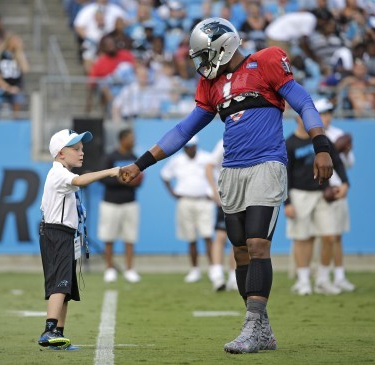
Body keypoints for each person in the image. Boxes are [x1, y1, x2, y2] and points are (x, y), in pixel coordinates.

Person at [119, 17, 334, 354]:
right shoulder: (211, 85)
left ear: (223, 47)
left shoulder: (265, 62)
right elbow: (183, 130)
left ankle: (251, 327)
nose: (202, 64)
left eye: (205, 56)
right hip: (231, 170)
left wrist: (322, 145)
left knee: (258, 243)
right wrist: (140, 163)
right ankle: (262, 328)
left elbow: (304, 102)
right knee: (240, 251)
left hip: (266, 164)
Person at [38, 128, 119, 350]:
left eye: (81, 148)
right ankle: (49, 330)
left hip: (63, 234)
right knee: (59, 284)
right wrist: (110, 171)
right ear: (61, 153)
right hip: (56, 233)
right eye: (76, 149)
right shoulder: (59, 173)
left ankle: (58, 335)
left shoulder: (61, 172)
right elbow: (80, 180)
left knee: (66, 288)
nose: (81, 153)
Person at [284, 113, 349, 296]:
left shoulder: (321, 141)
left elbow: (336, 162)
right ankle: (303, 280)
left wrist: (345, 183)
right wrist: (287, 202)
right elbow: (285, 175)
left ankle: (322, 279)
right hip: (300, 194)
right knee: (302, 238)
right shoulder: (289, 143)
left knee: (329, 236)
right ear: (297, 120)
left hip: (322, 193)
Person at [314, 98, 355, 292]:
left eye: (328, 113)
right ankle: (315, 276)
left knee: (336, 236)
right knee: (318, 237)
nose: (327, 117)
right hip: (319, 191)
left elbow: (349, 163)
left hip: (337, 190)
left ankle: (338, 276)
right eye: (323, 114)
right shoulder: (311, 135)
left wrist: (344, 152)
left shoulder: (338, 134)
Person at [160, 135, 214, 283]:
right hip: (185, 201)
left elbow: (219, 174)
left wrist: (213, 193)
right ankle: (195, 270)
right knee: (191, 238)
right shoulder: (177, 160)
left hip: (204, 201)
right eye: (187, 148)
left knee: (208, 236)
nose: (189, 150)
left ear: (196, 146)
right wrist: (172, 192)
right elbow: (164, 175)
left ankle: (213, 269)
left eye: (192, 147)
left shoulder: (207, 158)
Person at [98, 128, 142, 284]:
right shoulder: (111, 157)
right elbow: (102, 178)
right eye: (130, 138)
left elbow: (138, 181)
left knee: (129, 237)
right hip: (110, 203)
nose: (133, 141)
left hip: (130, 203)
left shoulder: (134, 158)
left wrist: (136, 181)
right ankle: (109, 269)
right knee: (108, 237)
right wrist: (121, 180)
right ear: (122, 139)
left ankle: (129, 269)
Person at [205, 138, 237, 291]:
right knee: (221, 236)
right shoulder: (225, 141)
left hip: (243, 196)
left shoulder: (252, 138)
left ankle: (234, 276)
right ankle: (217, 275)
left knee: (237, 238)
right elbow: (209, 166)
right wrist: (214, 190)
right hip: (225, 195)